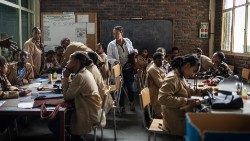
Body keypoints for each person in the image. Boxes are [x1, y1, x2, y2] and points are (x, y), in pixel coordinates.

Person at [48, 51, 103, 141]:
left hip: (87, 112)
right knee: (59, 117)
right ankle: (74, 137)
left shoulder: (80, 76)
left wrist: (65, 77)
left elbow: (67, 96)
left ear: (77, 62)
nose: (67, 63)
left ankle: (71, 138)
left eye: (70, 60)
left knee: (53, 122)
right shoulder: (84, 72)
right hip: (89, 108)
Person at [158, 54, 209, 136]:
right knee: (203, 128)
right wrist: (187, 101)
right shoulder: (172, 78)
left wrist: (201, 91)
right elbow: (162, 99)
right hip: (175, 119)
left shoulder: (180, 76)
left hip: (180, 113)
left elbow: (187, 89)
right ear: (187, 65)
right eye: (193, 71)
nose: (193, 75)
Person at [107, 25, 137, 112]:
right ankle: (121, 106)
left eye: (117, 33)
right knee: (120, 88)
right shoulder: (111, 44)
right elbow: (109, 57)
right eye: (114, 34)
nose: (115, 35)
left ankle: (131, 103)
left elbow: (131, 50)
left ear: (121, 33)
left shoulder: (127, 41)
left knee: (130, 87)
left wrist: (135, 51)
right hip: (118, 69)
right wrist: (115, 61)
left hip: (128, 68)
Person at [146, 52, 166, 118]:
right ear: (154, 60)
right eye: (159, 60)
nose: (161, 62)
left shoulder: (158, 67)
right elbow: (160, 84)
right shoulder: (153, 69)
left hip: (159, 92)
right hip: (155, 95)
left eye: (162, 60)